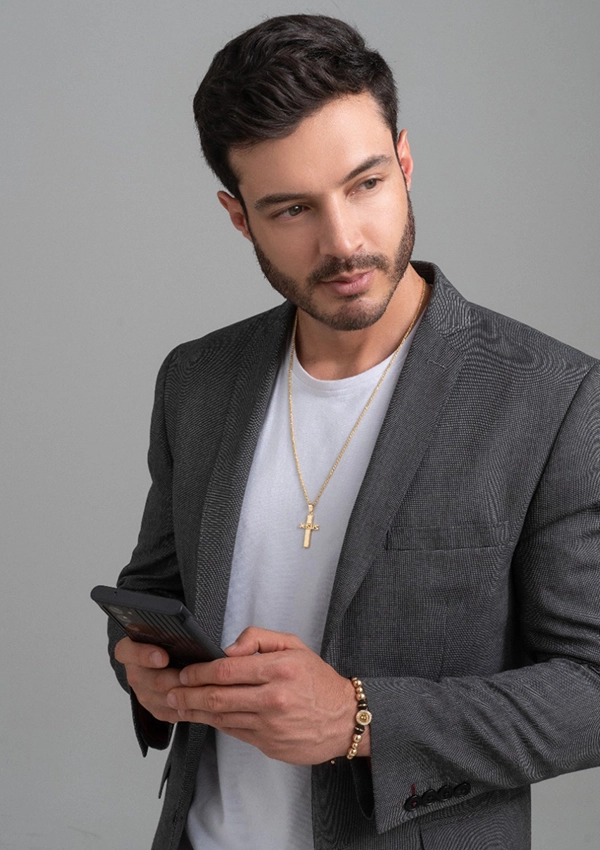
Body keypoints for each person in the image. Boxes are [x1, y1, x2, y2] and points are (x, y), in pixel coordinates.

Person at [107, 14, 600, 850]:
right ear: (239, 218)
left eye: (365, 184)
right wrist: (138, 661)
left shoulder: (552, 399)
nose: (342, 241)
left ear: (404, 163)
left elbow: (591, 690)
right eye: (293, 208)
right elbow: (154, 589)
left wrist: (360, 716)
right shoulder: (196, 379)